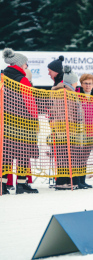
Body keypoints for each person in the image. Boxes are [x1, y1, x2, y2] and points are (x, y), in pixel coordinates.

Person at [1, 48, 39, 194]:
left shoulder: (2, 78)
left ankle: (2, 185)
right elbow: (30, 102)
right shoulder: (22, 79)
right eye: (25, 64)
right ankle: (22, 184)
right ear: (19, 64)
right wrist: (35, 118)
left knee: (6, 154)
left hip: (5, 123)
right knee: (23, 152)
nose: (27, 66)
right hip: (23, 123)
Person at [50, 65, 79, 190]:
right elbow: (77, 112)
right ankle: (64, 182)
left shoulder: (55, 92)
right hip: (68, 128)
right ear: (72, 82)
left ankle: (63, 180)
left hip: (58, 128)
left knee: (62, 155)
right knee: (67, 156)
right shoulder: (70, 94)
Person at [74, 73, 93, 189]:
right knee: (78, 156)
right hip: (79, 130)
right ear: (81, 84)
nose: (88, 85)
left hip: (91, 130)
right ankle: (77, 181)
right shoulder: (76, 95)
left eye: (90, 83)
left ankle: (83, 180)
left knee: (85, 156)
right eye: (86, 83)